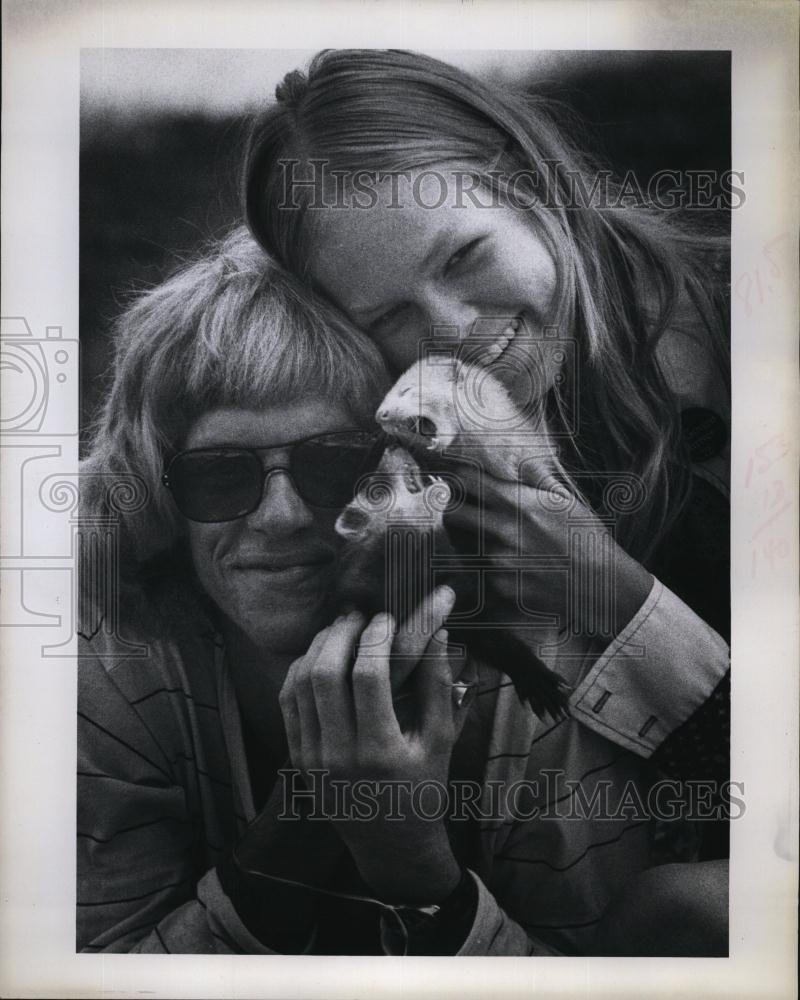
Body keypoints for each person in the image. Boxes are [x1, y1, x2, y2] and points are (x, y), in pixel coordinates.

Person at [239, 49, 732, 947]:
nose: (452, 329)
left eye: (465, 255)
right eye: (384, 316)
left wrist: (606, 590)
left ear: (533, 183)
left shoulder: (753, 330)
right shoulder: (398, 459)